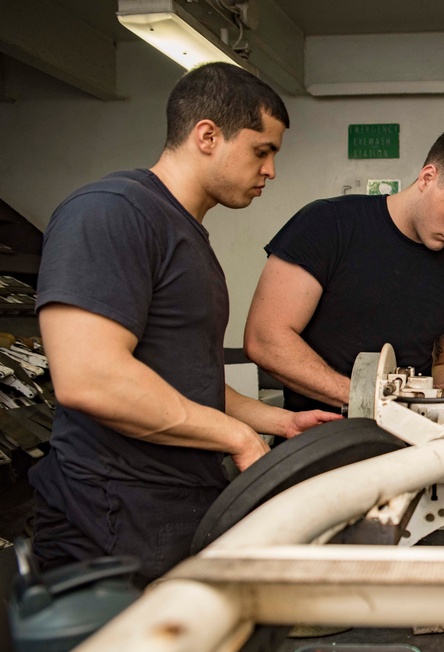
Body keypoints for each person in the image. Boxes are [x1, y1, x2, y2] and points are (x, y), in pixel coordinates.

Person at [29, 63, 339, 584]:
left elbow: (180, 379)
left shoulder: (186, 233)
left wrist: (277, 422)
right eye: (262, 151)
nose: (270, 171)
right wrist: (237, 438)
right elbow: (91, 378)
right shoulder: (112, 213)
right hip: (110, 514)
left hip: (172, 504)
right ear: (207, 136)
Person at [243, 128, 444, 412]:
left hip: (411, 442)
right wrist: (368, 400)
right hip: (317, 440)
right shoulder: (327, 225)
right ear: (428, 177)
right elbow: (265, 338)